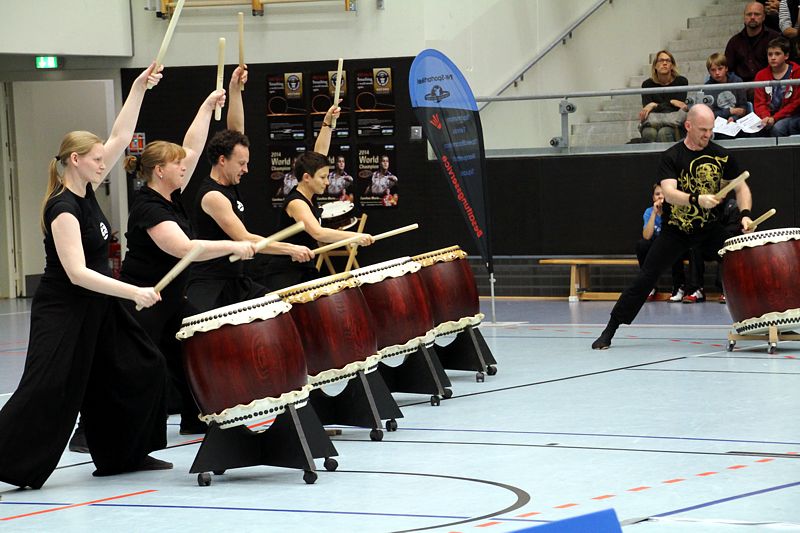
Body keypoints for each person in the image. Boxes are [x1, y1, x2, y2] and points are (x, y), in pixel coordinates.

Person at [0, 64, 173, 489]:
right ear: (76, 160)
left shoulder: (87, 188)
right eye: (97, 160)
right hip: (65, 311)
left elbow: (118, 136)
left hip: (99, 307)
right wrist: (135, 291)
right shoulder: (62, 208)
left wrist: (137, 88)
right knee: (46, 391)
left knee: (141, 367)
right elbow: (77, 274)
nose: (105, 164)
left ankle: (122, 455)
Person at [120, 69, 258, 435]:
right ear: (160, 170)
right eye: (179, 166)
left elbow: (192, 146)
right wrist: (233, 245)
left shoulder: (172, 194)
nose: (186, 167)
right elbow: (183, 249)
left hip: (170, 298)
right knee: (136, 367)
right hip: (142, 301)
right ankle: (95, 431)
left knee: (194, 351)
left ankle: (195, 418)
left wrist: (207, 105)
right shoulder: (148, 207)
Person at [592, 104, 754, 350]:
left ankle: (756, 322)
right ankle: (610, 328)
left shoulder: (722, 155)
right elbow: (668, 192)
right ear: (688, 126)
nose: (707, 135)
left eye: (710, 130)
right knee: (646, 277)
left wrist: (744, 214)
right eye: (702, 130)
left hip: (709, 229)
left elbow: (741, 186)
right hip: (676, 231)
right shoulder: (672, 156)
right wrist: (697, 199)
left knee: (742, 264)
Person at [185, 69, 313, 313]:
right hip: (211, 284)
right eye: (241, 164)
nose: (246, 169)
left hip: (235, 278)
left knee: (275, 311)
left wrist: (235, 89)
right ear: (222, 160)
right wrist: (290, 249)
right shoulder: (213, 197)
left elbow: (236, 131)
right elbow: (244, 238)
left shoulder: (229, 181)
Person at [636, 183, 687, 302]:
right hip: (657, 246)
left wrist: (666, 212)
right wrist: (654, 213)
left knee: (675, 247)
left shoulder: (676, 210)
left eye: (663, 194)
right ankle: (649, 286)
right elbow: (647, 236)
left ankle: (679, 287)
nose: (660, 197)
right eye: (657, 194)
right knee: (642, 245)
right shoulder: (649, 212)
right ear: (653, 198)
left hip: (673, 244)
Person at [725, 2, 781, 86]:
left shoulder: (775, 38)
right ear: (744, 17)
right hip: (742, 89)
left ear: (763, 17)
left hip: (769, 86)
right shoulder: (734, 42)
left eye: (757, 14)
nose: (752, 17)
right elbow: (727, 70)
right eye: (749, 14)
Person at [639, 51, 689, 143]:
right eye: (661, 60)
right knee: (649, 133)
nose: (664, 63)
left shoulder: (681, 82)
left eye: (668, 61)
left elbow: (679, 107)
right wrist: (671, 102)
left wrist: (654, 105)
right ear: (655, 66)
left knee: (664, 132)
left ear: (672, 66)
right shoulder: (647, 84)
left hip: (674, 123)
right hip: (653, 122)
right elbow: (647, 108)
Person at [754, 36, 800, 135]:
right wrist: (766, 117)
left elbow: (796, 103)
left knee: (777, 129)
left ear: (786, 56)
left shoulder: (797, 72)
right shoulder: (760, 75)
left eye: (777, 54)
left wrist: (774, 118)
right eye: (770, 54)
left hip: (791, 115)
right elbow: (759, 103)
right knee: (753, 131)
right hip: (767, 116)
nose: (773, 57)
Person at [705, 53, 748, 123]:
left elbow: (743, 108)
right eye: (713, 70)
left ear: (726, 68)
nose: (717, 73)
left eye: (720, 69)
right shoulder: (707, 88)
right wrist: (729, 111)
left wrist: (733, 118)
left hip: (737, 121)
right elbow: (709, 114)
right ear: (709, 72)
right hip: (717, 123)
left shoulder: (737, 81)